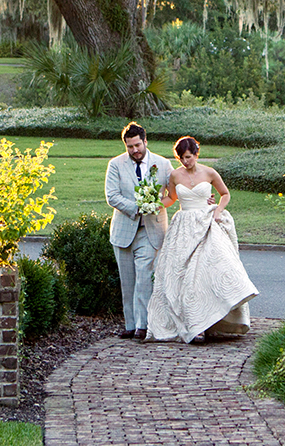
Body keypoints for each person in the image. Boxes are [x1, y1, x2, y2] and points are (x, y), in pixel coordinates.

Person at [145, 136, 259, 344]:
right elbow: (171, 198)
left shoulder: (209, 172)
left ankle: (212, 319)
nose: (185, 162)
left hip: (206, 221)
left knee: (210, 271)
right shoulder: (175, 175)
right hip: (184, 225)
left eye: (188, 157)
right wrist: (152, 204)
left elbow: (225, 194)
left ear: (196, 154)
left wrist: (218, 210)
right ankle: (194, 324)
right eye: (181, 158)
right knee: (184, 276)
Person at [106, 121, 175, 340]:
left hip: (151, 229)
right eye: (130, 147)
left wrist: (157, 205)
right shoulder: (115, 165)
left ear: (145, 141)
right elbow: (112, 196)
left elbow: (173, 193)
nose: (134, 150)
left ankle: (143, 326)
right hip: (124, 230)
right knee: (128, 280)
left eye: (137, 145)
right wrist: (137, 207)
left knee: (144, 277)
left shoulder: (163, 164)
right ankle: (130, 324)